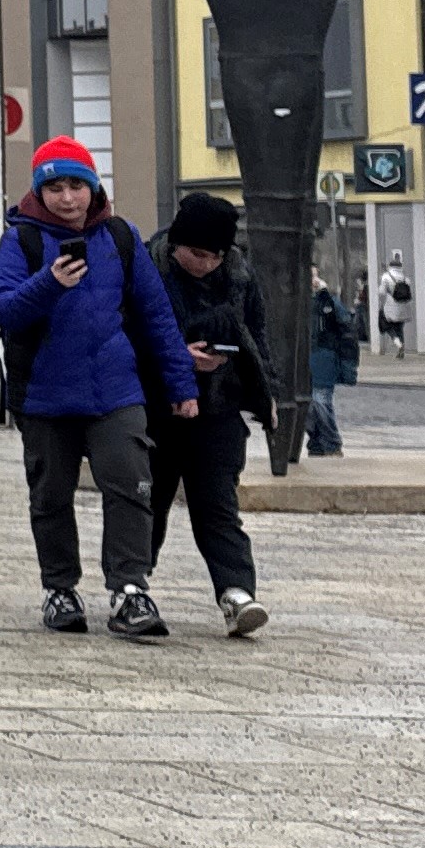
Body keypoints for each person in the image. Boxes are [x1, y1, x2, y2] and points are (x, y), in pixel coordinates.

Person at [0, 138, 200, 642]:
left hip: (115, 391)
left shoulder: (121, 237)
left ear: (93, 186)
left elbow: (156, 317)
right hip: (44, 395)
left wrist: (180, 383)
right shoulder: (21, 241)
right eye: (55, 187)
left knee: (131, 486)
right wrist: (49, 283)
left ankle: (129, 589)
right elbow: (3, 309)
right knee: (51, 494)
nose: (67, 198)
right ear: (40, 191)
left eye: (76, 185)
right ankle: (60, 589)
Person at [149, 193, 272, 638]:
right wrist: (177, 357)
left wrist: (261, 387)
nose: (207, 264)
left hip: (218, 407)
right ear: (178, 243)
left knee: (219, 507)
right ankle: (132, 585)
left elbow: (256, 332)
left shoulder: (238, 273)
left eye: (216, 255)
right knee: (149, 502)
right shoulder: (147, 268)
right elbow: (130, 333)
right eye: (198, 254)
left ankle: (237, 593)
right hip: (156, 409)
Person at [306, 271, 359, 457]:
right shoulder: (297, 301)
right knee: (307, 406)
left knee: (320, 401)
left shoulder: (328, 302)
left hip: (323, 358)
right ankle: (318, 441)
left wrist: (348, 364)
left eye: (313, 275)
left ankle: (331, 442)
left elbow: (346, 333)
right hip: (306, 359)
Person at [375, 250, 414, 357]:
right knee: (399, 328)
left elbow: (382, 292)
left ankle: (398, 344)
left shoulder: (386, 276)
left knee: (387, 326)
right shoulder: (405, 278)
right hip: (404, 306)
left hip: (390, 306)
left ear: (390, 266)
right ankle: (401, 348)